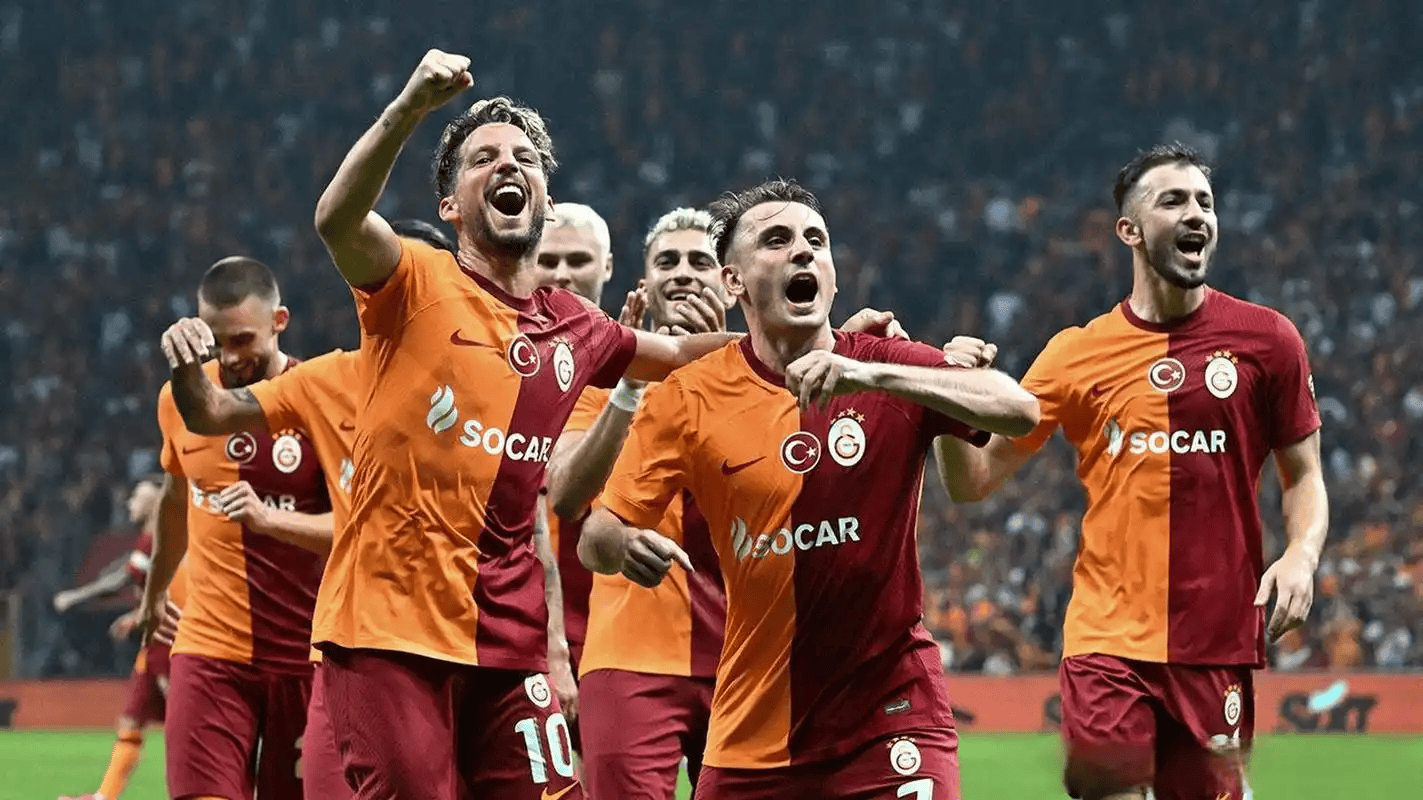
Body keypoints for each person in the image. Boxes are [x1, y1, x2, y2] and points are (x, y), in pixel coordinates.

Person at [310, 49, 739, 800]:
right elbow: (336, 219)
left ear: (544, 196)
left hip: (508, 642)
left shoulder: (574, 326)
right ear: (451, 204)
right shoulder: (413, 280)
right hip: (388, 629)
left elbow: (676, 353)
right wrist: (410, 108)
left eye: (524, 158)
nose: (508, 164)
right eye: (483, 158)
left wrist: (829, 345)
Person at [579, 179, 1041, 800]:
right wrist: (622, 544)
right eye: (776, 240)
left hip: (891, 714)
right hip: (755, 730)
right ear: (734, 281)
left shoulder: (884, 363)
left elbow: (1019, 409)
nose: (802, 250)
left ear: (832, 277)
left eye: (815, 241)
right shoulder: (689, 396)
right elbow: (597, 536)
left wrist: (876, 375)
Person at [936, 144, 1328, 800]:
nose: (1195, 213)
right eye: (1172, 200)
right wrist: (948, 403)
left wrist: (1301, 556)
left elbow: (1305, 475)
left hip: (1215, 642)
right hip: (1106, 638)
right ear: (1130, 230)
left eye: (1204, 202)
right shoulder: (1075, 353)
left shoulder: (1269, 341)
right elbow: (972, 481)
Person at [542, 207, 730, 798]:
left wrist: (718, 367)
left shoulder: (764, 383)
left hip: (743, 654)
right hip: (629, 651)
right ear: (644, 282)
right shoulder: (596, 381)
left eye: (700, 261)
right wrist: (635, 383)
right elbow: (566, 494)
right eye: (667, 261)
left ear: (732, 281)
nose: (683, 272)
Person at [140, 257, 335, 800]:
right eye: (217, 342)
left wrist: (271, 518)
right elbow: (176, 499)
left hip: (307, 658)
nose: (228, 357)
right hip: (210, 651)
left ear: (280, 321)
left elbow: (360, 527)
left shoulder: (321, 397)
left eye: (243, 340)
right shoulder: (180, 398)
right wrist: (155, 593)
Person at [56, 477, 185, 800]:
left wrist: (75, 596)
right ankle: (104, 797)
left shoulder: (163, 536)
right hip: (154, 642)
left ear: (157, 501)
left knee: (186, 724)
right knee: (131, 720)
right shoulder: (154, 538)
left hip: (170, 643)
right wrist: (139, 613)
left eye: (138, 496)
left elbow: (123, 579)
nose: (129, 502)